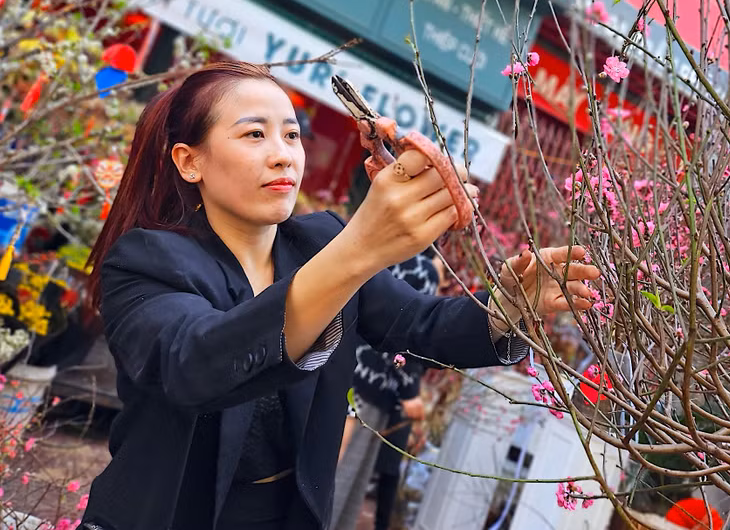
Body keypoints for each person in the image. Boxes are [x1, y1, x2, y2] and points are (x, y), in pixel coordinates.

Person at [76, 62, 599, 530]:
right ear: (190, 162)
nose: (283, 155)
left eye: (291, 135)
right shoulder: (146, 261)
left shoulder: (319, 242)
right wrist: (359, 249)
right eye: (254, 134)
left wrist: (509, 306)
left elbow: (422, 325)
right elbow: (194, 363)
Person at [331, 165, 436, 530]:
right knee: (343, 480)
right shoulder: (421, 266)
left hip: (339, 365)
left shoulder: (372, 238)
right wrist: (410, 392)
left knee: (327, 471)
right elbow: (405, 335)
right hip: (372, 382)